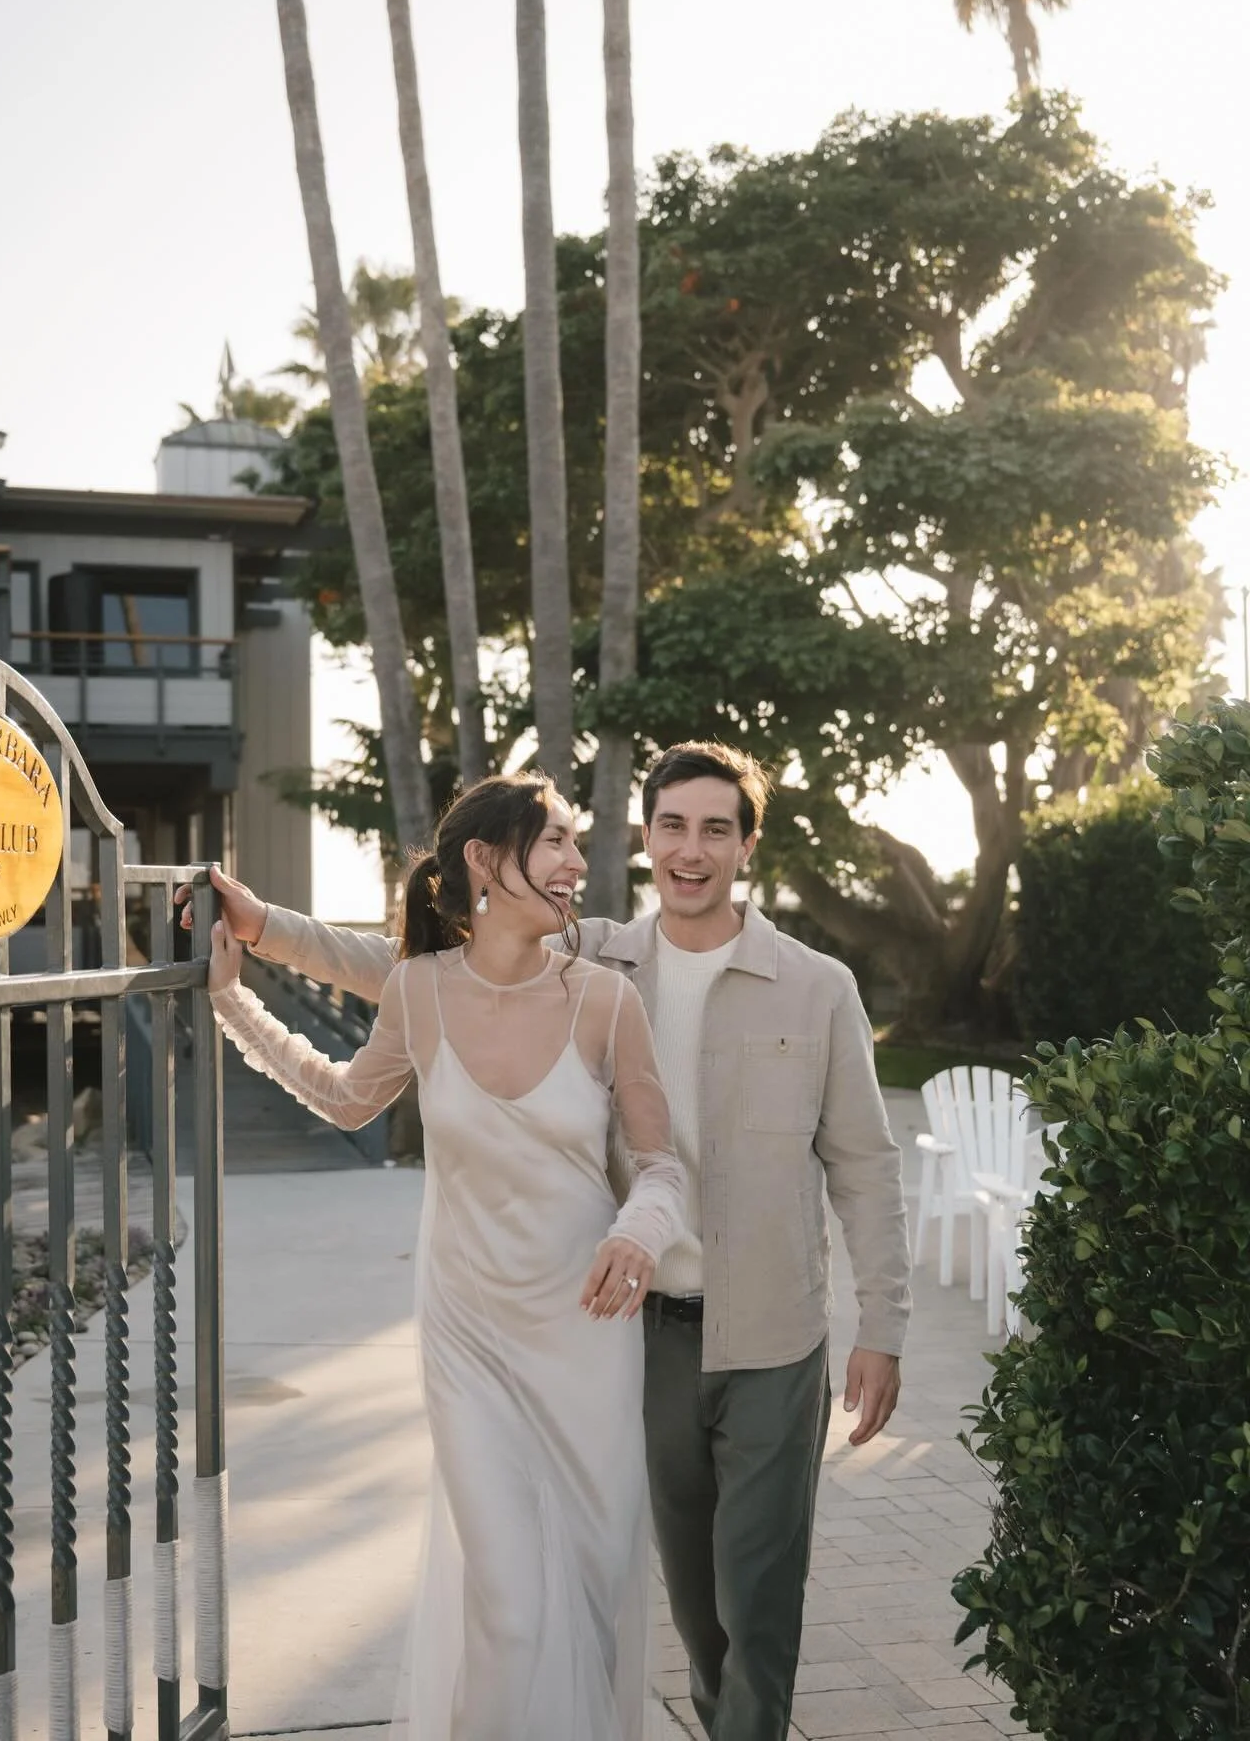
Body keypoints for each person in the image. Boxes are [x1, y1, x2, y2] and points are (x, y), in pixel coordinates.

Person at [186, 740, 911, 1741]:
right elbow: (400, 971)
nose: (689, 850)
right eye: (670, 827)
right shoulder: (600, 953)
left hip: (761, 1339)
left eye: (714, 829)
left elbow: (863, 1167)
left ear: (747, 846)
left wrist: (884, 1321)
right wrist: (260, 936)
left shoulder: (809, 985)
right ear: (650, 840)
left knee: (750, 1607)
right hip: (630, 1337)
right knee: (675, 1618)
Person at [201, 772, 685, 1741]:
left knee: (585, 1604)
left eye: (576, 847)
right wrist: (233, 1005)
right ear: (484, 860)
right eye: (554, 842)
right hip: (468, 1344)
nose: (575, 865)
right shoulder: (419, 991)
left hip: (587, 1342)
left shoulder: (606, 1003)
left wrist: (639, 1230)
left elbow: (663, 1168)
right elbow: (345, 1099)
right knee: (507, 1605)